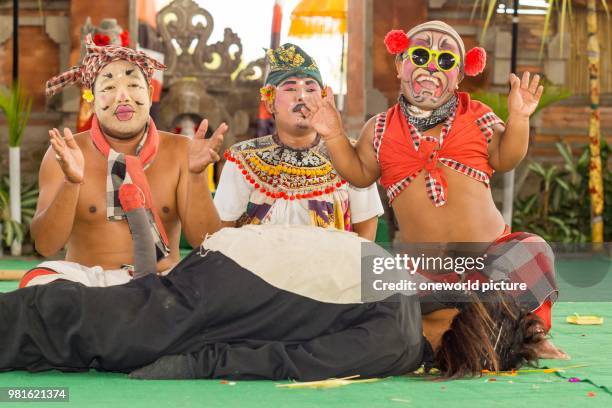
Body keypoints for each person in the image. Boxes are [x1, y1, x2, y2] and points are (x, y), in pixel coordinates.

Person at [0, 202, 564, 380]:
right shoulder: (398, 340)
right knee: (109, 332)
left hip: (233, 261)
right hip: (229, 284)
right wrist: (192, 366)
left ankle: (61, 293)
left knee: (120, 315)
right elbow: (289, 361)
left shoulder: (403, 281)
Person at [298, 21, 556, 332]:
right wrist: (335, 135)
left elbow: (507, 157)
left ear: (459, 76)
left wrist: (519, 118)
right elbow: (359, 174)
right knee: (385, 288)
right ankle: (460, 328)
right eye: (420, 55)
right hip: (425, 270)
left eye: (446, 60)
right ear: (399, 64)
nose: (432, 65)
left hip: (489, 260)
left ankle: (526, 334)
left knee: (531, 249)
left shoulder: (476, 116)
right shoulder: (379, 129)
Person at [22, 34, 225, 288]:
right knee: (38, 284)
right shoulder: (65, 152)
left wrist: (196, 177)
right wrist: (71, 182)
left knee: (217, 284)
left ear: (150, 93)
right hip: (88, 286)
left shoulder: (181, 150)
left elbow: (206, 242)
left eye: (133, 85)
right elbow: (45, 245)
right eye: (108, 88)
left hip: (161, 285)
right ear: (92, 99)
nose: (123, 97)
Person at [214, 44, 383, 240]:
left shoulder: (351, 156)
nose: (301, 96)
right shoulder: (243, 158)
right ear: (270, 102)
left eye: (311, 88)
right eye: (290, 88)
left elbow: (365, 236)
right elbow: (222, 233)